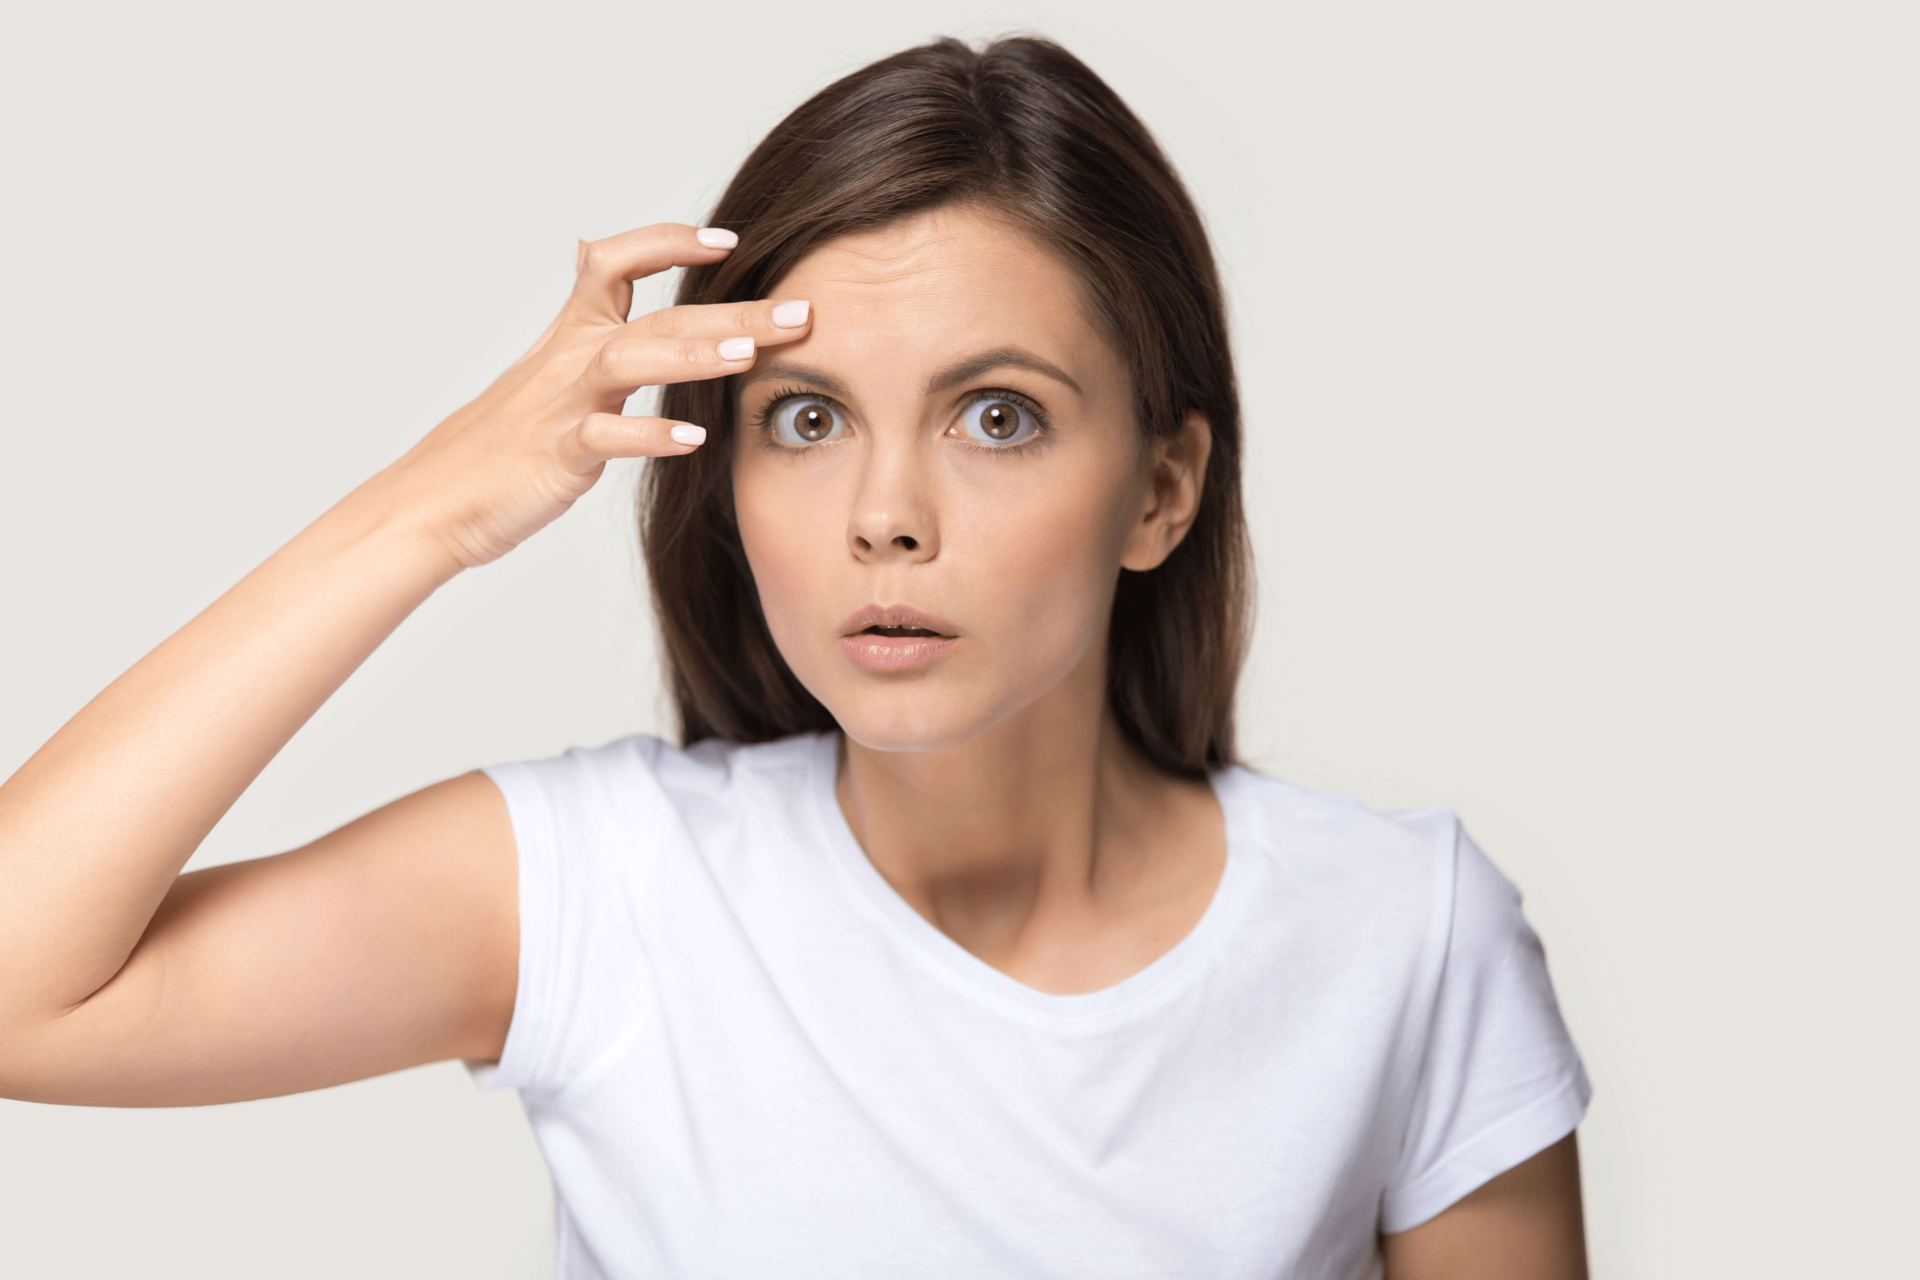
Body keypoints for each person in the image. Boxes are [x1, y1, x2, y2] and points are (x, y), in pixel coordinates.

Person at [0, 35, 1590, 1279]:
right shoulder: (602, 895)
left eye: (998, 416)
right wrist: (442, 504)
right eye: (807, 421)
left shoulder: (1403, 933)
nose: (885, 517)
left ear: (1161, 492)